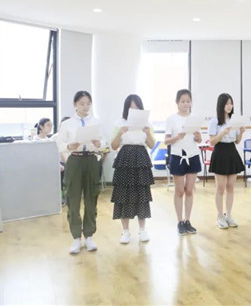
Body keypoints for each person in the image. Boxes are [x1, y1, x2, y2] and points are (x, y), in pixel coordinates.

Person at [55, 91, 103, 254]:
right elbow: (59, 144)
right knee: (73, 198)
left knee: (91, 197)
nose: (85, 107)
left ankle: (89, 235)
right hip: (74, 160)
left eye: (88, 103)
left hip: (91, 159)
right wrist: (69, 146)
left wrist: (99, 143)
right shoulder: (67, 124)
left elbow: (104, 143)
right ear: (75, 105)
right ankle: (76, 237)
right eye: (82, 103)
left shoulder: (95, 122)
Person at [110, 94, 155, 244]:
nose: (134, 110)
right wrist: (120, 133)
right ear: (126, 109)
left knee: (142, 195)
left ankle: (142, 230)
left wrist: (147, 133)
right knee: (123, 195)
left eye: (137, 108)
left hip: (141, 159)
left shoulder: (147, 124)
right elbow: (114, 146)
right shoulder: (119, 123)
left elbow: (151, 145)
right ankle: (125, 231)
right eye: (131, 108)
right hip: (124, 160)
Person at [164, 89, 203, 236]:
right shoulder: (171, 119)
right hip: (177, 156)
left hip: (193, 155)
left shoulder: (194, 119)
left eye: (188, 101)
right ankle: (179, 221)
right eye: (183, 101)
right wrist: (177, 137)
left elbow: (198, 140)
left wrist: (198, 137)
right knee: (179, 191)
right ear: (177, 102)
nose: (186, 104)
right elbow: (166, 140)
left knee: (189, 190)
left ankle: (187, 220)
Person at [209, 93, 246, 229]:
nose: (229, 106)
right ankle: (220, 216)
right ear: (221, 105)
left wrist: (241, 132)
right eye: (227, 103)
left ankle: (228, 215)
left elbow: (237, 141)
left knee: (230, 186)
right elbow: (212, 142)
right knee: (220, 187)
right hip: (220, 152)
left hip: (231, 151)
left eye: (231, 103)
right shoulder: (214, 121)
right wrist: (222, 133)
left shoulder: (233, 120)